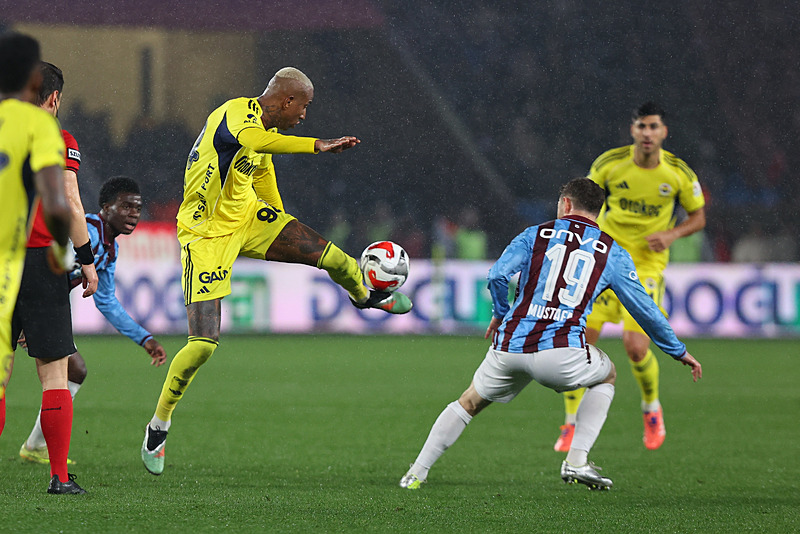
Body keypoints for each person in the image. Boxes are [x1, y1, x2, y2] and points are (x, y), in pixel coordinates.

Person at [141, 67, 413, 475]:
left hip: (248, 218)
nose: (304, 115)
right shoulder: (236, 114)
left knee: (337, 259)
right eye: (304, 107)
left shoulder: (265, 133)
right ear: (287, 101)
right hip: (206, 234)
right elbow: (256, 141)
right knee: (202, 346)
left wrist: (281, 221)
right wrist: (317, 145)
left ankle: (365, 296)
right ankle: (158, 426)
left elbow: (262, 169)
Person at [399, 178, 702, 491]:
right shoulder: (612, 252)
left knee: (469, 402)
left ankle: (416, 474)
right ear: (598, 211)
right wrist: (677, 350)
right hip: (561, 353)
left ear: (566, 204)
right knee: (607, 375)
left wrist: (501, 313)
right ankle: (577, 460)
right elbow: (645, 309)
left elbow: (498, 275)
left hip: (511, 346)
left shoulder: (535, 234)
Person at [554, 102, 706, 452]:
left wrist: (671, 234)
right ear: (632, 130)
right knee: (579, 344)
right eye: (641, 126)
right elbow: (584, 202)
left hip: (645, 267)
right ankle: (571, 421)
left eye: (653, 127)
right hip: (603, 260)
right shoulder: (610, 164)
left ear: (664, 132)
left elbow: (698, 217)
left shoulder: (678, 173)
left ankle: (651, 407)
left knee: (636, 348)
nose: (647, 133)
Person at [20, 177, 167, 465]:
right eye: (126, 207)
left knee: (74, 370)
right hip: (27, 300)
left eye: (137, 208)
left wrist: (144, 338)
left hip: (40, 306)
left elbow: (107, 301)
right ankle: (37, 447)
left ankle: (35, 446)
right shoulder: (86, 232)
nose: (133, 214)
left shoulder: (110, 249)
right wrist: (29, 316)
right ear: (105, 207)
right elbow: (45, 263)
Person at [0, 33, 76, 494]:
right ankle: (59, 477)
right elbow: (59, 201)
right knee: (54, 372)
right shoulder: (44, 130)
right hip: (37, 257)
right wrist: (67, 252)